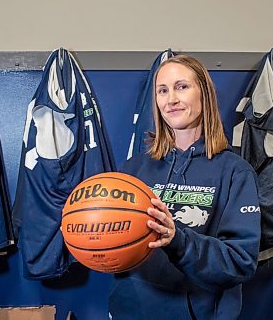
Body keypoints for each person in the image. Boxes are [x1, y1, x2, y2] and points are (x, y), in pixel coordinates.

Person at [108, 55, 262, 320]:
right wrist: (89, 232)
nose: (171, 100)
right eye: (163, 90)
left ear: (204, 94)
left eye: (182, 87)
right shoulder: (132, 170)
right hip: (131, 310)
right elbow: (117, 246)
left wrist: (177, 240)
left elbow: (240, 262)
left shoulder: (235, 172)